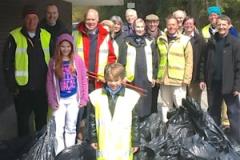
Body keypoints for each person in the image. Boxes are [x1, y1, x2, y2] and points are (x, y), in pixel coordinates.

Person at [3, 4, 52, 137]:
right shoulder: (14, 37)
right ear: (24, 20)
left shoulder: (46, 35)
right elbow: (7, 64)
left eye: (34, 18)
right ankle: (24, 152)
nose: (32, 21)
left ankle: (39, 152)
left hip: (41, 89)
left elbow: (53, 60)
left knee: (41, 122)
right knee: (23, 123)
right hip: (22, 90)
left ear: (38, 19)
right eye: (28, 18)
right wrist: (12, 87)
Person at [199, 15, 240, 145]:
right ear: (216, 25)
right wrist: (202, 79)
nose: (221, 27)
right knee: (213, 112)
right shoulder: (211, 42)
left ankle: (236, 141)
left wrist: (237, 86)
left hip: (230, 85)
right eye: (219, 25)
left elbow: (239, 66)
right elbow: (203, 62)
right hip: (213, 84)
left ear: (229, 25)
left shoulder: (235, 43)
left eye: (224, 25)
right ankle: (214, 139)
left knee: (233, 113)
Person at [46, 33, 88, 155]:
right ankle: (60, 154)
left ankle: (69, 153)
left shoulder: (77, 60)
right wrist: (52, 101)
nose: (65, 49)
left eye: (68, 46)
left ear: (72, 47)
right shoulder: (53, 62)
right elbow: (49, 83)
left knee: (71, 127)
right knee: (59, 129)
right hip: (60, 101)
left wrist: (84, 98)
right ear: (58, 47)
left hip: (73, 99)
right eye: (62, 46)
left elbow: (83, 80)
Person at [88, 63, 140, 160]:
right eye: (110, 81)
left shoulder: (131, 97)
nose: (113, 83)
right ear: (105, 79)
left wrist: (135, 141)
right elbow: (92, 120)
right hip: (104, 144)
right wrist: (93, 138)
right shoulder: (96, 96)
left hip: (123, 145)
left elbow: (135, 121)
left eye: (116, 80)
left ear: (122, 79)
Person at [119, 18, 159, 118]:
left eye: (141, 27)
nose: (140, 29)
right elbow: (122, 61)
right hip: (131, 79)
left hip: (146, 79)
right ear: (133, 27)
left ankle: (145, 127)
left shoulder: (150, 41)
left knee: (146, 105)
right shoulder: (126, 41)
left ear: (145, 28)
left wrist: (154, 76)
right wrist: (122, 76)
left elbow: (155, 61)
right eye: (137, 27)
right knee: (133, 104)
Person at [157, 15, 193, 122]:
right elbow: (158, 59)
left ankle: (181, 128)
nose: (171, 27)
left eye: (173, 24)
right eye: (169, 24)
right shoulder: (160, 39)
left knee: (180, 105)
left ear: (178, 26)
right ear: (166, 25)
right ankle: (166, 128)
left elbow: (189, 62)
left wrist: (186, 79)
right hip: (164, 79)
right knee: (165, 105)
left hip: (179, 80)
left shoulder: (185, 40)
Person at [72, 8, 116, 91]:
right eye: (88, 19)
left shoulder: (105, 35)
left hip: (99, 81)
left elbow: (111, 58)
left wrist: (108, 75)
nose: (91, 22)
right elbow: (69, 55)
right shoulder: (75, 35)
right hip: (79, 80)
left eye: (93, 19)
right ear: (84, 20)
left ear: (98, 19)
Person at [183, 16, 206, 104]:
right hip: (180, 78)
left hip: (195, 79)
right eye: (186, 24)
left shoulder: (200, 40)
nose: (188, 26)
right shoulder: (178, 39)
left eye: (191, 24)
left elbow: (202, 61)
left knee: (195, 104)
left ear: (194, 25)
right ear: (183, 25)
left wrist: (202, 79)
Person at [145, 13, 163, 113]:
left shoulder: (163, 36)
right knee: (146, 100)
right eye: (150, 22)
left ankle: (154, 121)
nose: (152, 24)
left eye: (154, 22)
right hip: (147, 74)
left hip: (159, 73)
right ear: (146, 23)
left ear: (158, 23)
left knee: (156, 100)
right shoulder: (143, 36)